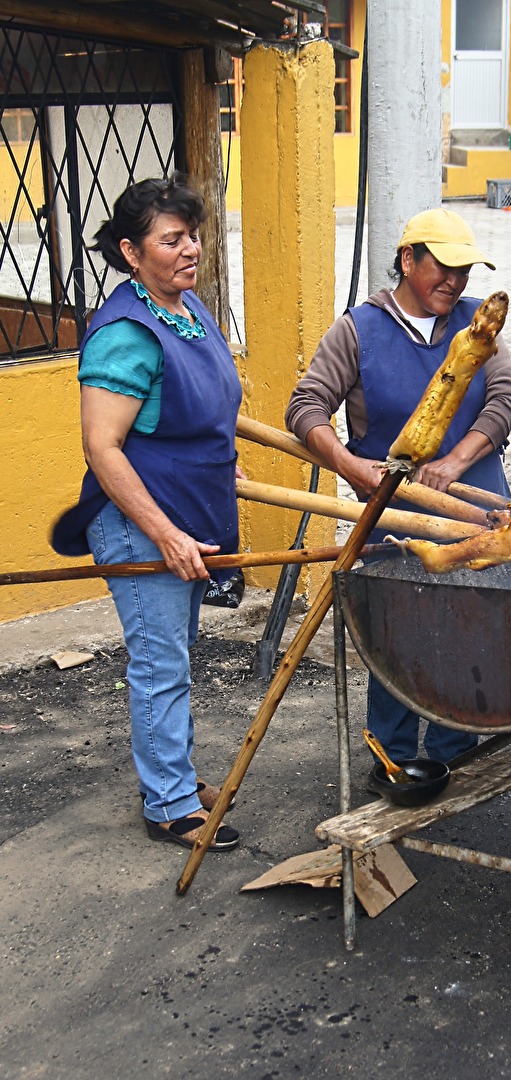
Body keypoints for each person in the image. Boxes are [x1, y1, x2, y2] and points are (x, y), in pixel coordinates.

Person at [285, 208, 511, 766]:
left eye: (464, 271)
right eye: (442, 268)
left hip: (476, 512)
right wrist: (349, 466)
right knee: (399, 638)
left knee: (470, 635)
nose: (455, 282)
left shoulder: (477, 326)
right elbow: (306, 407)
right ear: (406, 260)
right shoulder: (358, 329)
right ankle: (393, 762)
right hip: (397, 518)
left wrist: (455, 461)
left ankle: (455, 755)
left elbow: (507, 398)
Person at [51, 174, 243, 851]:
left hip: (187, 514)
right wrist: (163, 533)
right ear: (132, 252)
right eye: (172, 239)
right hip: (138, 524)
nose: (190, 249)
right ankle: (168, 803)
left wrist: (220, 468)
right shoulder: (126, 333)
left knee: (175, 657)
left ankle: (175, 776)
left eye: (193, 235)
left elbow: (191, 413)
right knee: (160, 665)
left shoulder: (187, 310)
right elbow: (102, 447)